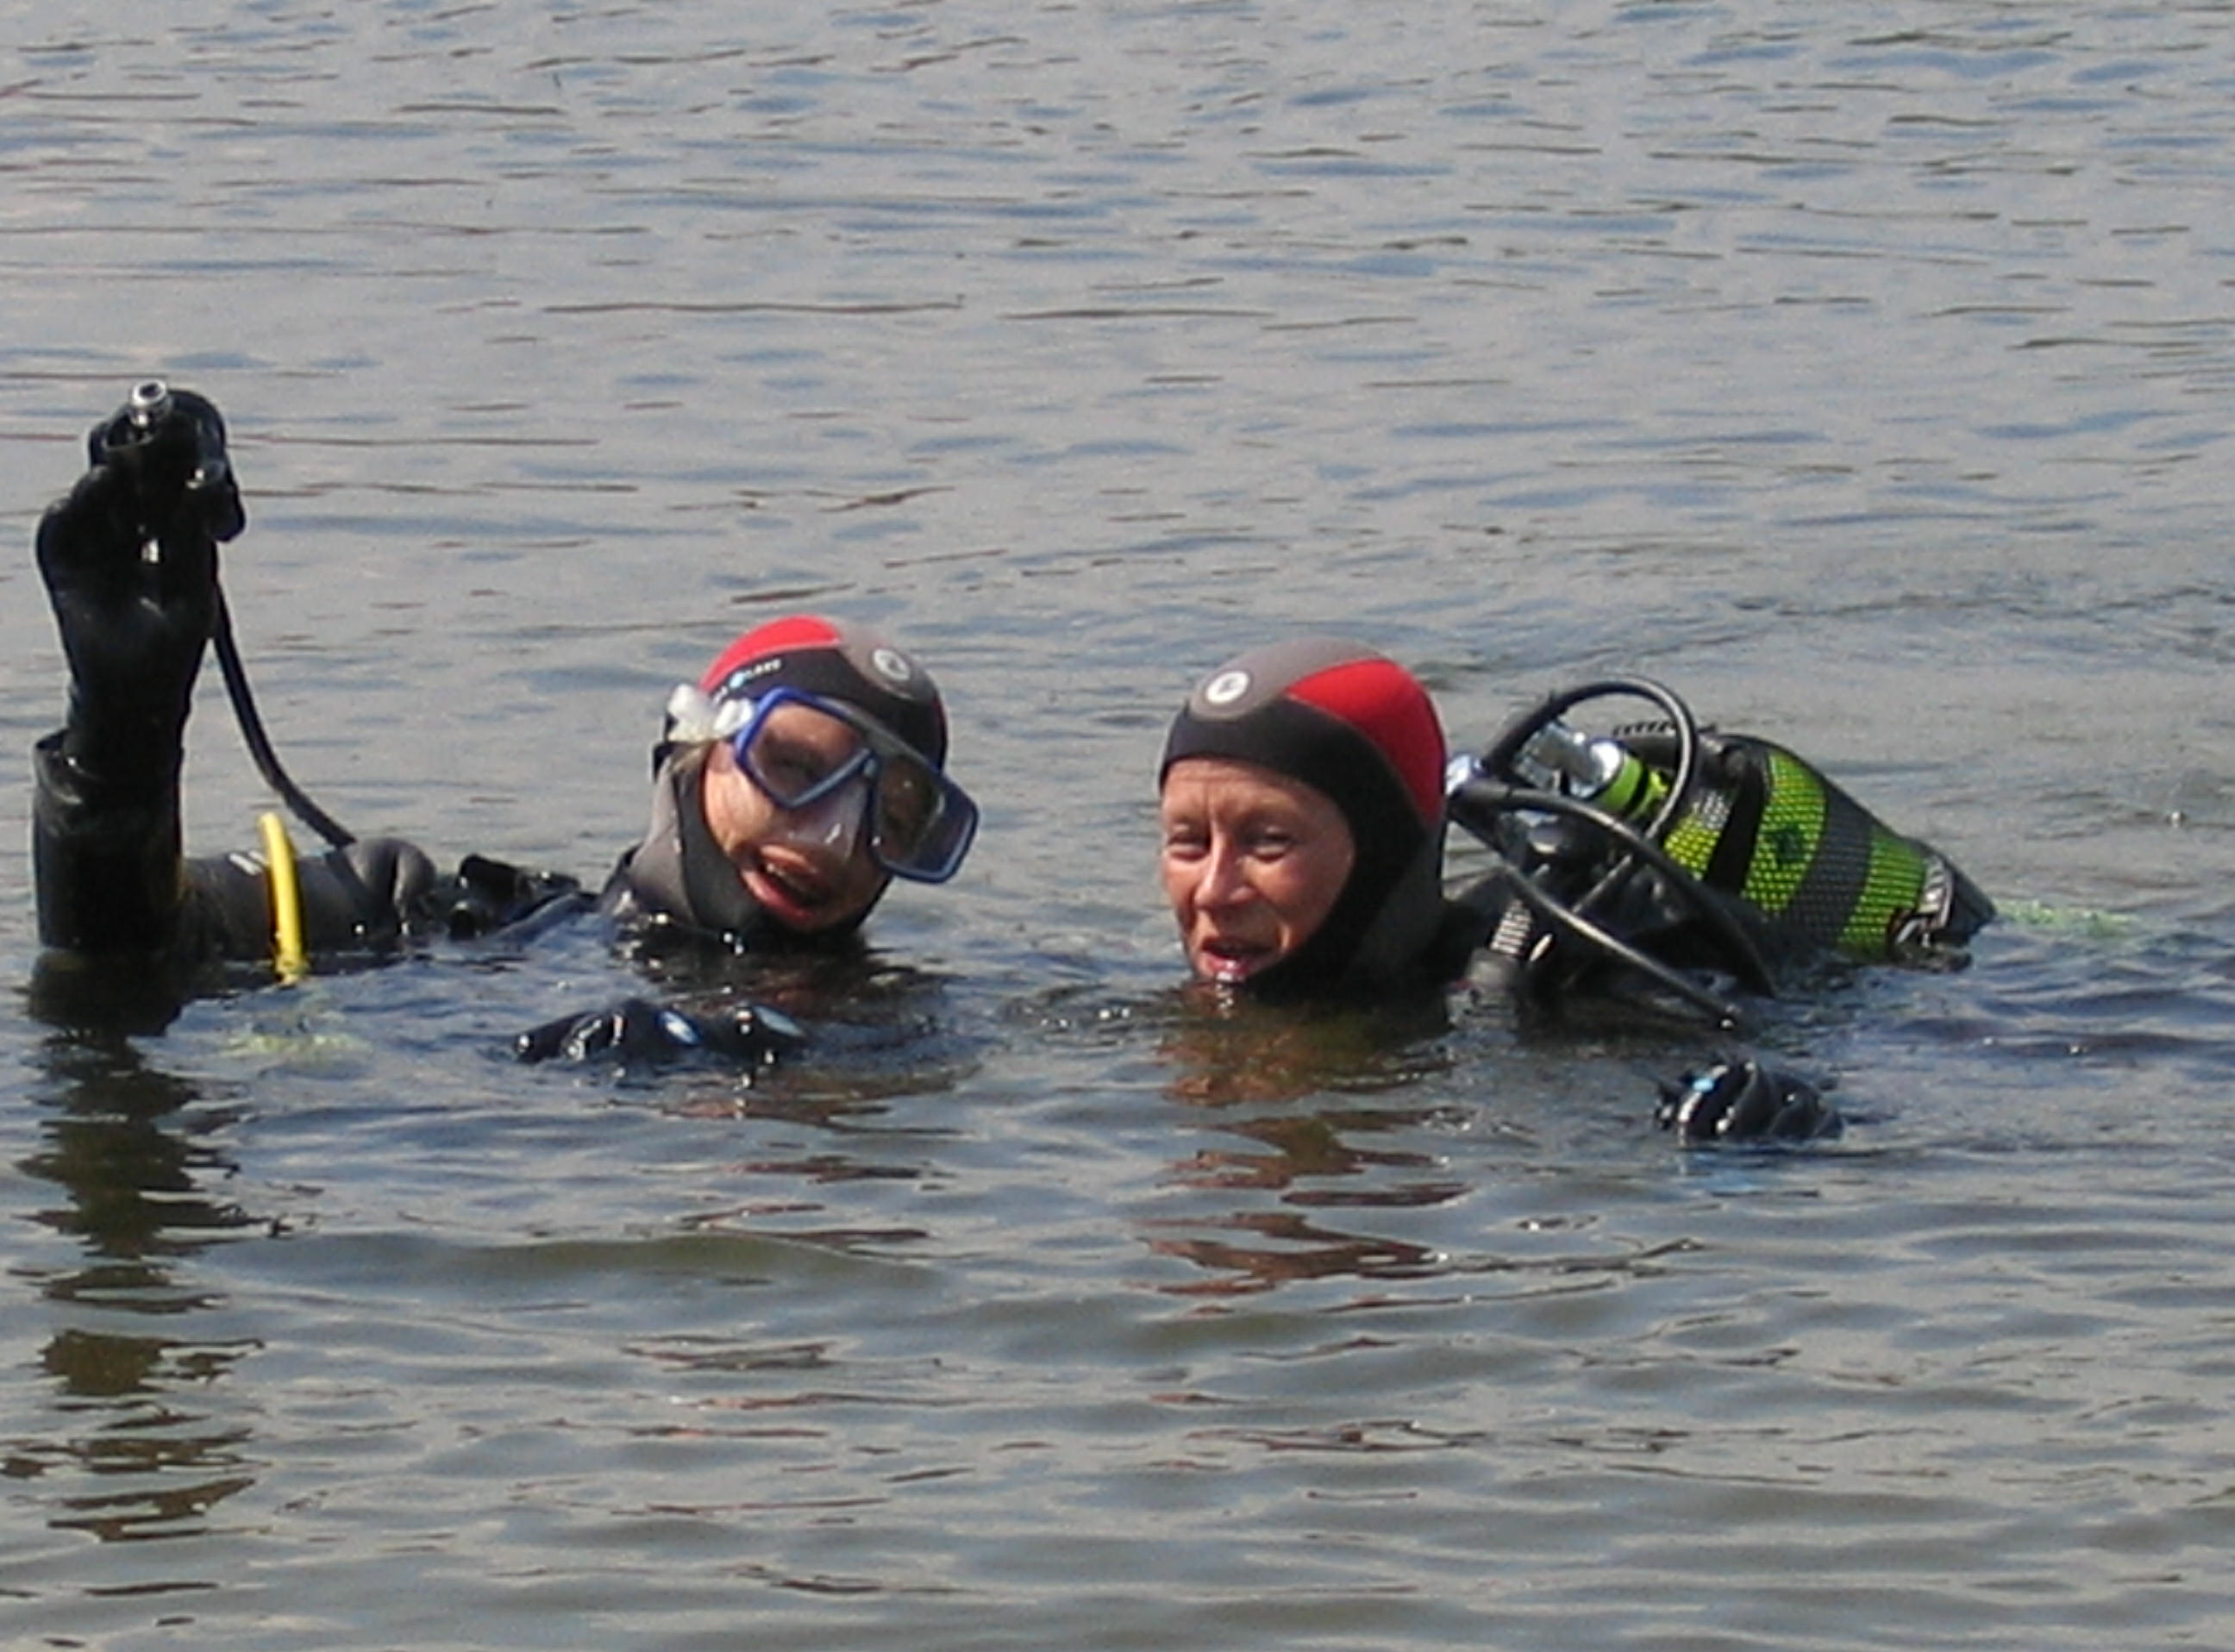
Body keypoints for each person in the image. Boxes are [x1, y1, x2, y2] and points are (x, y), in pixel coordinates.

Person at [27, 382, 978, 1061]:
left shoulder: (918, 1034)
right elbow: (111, 967)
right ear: (686, 749)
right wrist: (121, 736)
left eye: (893, 817)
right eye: (793, 765)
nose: (830, 838)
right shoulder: (412, 918)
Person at [1156, 637, 1993, 1143]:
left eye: (1268, 842)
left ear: (1384, 848)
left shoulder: (1591, 970)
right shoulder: (1191, 1010)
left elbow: (1909, 1070)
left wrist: (1785, 1120)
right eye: (1188, 842)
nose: (1215, 891)